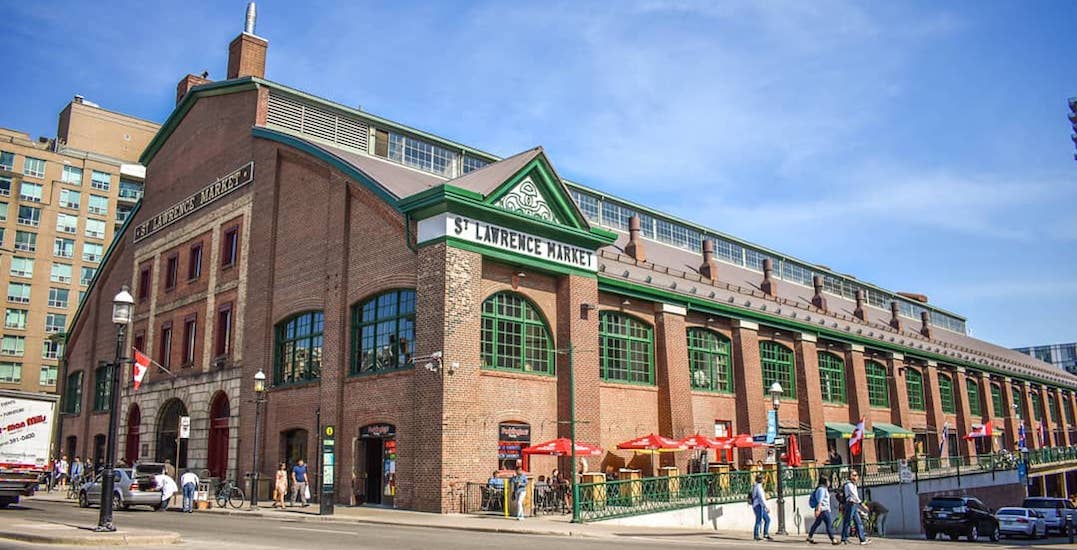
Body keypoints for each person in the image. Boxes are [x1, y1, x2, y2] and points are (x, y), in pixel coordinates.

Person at [840, 470, 869, 545]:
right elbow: (854, 496)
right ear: (850, 476)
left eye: (857, 475)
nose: (857, 477)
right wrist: (862, 504)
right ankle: (844, 538)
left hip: (854, 505)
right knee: (847, 521)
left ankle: (862, 539)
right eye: (855, 475)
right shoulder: (849, 485)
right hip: (850, 504)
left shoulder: (853, 485)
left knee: (858, 522)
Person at [806, 476, 837, 545]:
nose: (829, 482)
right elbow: (820, 500)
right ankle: (833, 539)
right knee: (829, 524)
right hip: (823, 509)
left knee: (817, 523)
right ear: (824, 482)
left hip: (822, 509)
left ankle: (809, 536)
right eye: (828, 481)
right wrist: (818, 509)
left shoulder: (823, 489)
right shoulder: (821, 489)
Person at [750, 473, 773, 541]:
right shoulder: (758, 487)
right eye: (763, 478)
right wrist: (766, 507)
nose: (764, 480)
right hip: (758, 505)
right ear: (761, 480)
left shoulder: (757, 486)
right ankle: (756, 535)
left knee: (767, 519)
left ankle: (765, 534)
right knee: (759, 520)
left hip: (759, 505)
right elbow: (761, 498)